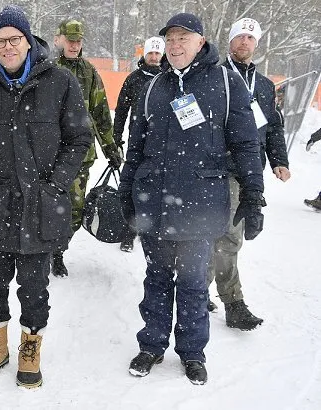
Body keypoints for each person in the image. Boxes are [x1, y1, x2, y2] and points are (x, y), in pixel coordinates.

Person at [119, 13, 264, 385]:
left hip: (200, 207)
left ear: (201, 41)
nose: (175, 45)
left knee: (194, 283)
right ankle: (151, 345)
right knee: (156, 278)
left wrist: (253, 193)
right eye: (170, 39)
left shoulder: (226, 83)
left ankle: (192, 353)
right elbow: (135, 148)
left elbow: (247, 144)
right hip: (154, 203)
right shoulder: (154, 87)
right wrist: (126, 192)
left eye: (184, 38)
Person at [0, 5, 91, 388]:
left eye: (15, 39)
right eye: (1, 41)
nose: (8, 47)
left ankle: (30, 348)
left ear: (29, 42)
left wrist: (57, 185)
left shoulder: (61, 82)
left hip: (41, 205)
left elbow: (79, 137)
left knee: (34, 287)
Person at [206, 17, 290, 330]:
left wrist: (279, 159)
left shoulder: (266, 86)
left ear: (257, 44)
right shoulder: (216, 76)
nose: (245, 42)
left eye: (250, 38)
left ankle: (201, 292)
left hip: (250, 171)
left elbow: (274, 126)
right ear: (230, 40)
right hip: (218, 167)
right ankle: (230, 300)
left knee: (226, 236)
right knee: (225, 236)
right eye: (240, 36)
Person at [51, 19, 121, 276]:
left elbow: (100, 112)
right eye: (70, 40)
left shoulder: (90, 72)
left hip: (81, 156)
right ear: (58, 39)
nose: (74, 45)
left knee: (75, 211)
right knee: (47, 208)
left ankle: (57, 250)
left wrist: (110, 147)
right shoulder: (47, 70)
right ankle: (46, 252)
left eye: (78, 40)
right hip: (50, 156)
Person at [113, 36, 164, 252]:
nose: (153, 57)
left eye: (157, 53)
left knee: (161, 189)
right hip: (138, 143)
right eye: (150, 53)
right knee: (134, 187)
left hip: (163, 145)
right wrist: (116, 137)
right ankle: (130, 230)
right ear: (144, 55)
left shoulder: (169, 79)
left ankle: (157, 230)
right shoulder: (134, 79)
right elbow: (121, 110)